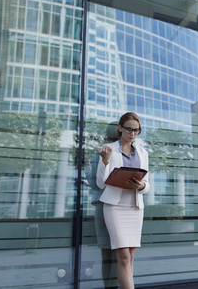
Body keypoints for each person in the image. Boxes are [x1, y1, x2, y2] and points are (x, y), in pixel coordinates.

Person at [96, 112, 149, 289]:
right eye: (129, 129)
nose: (132, 133)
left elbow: (147, 185)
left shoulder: (143, 153)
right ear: (120, 128)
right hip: (115, 207)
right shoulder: (108, 149)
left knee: (131, 258)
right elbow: (100, 184)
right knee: (124, 257)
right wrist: (105, 161)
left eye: (136, 130)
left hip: (135, 207)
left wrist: (141, 186)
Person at [83, 121, 119, 288]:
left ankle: (109, 287)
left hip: (102, 205)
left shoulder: (100, 152)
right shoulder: (123, 153)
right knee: (119, 252)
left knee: (106, 252)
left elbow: (94, 182)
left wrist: (87, 167)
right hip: (118, 205)